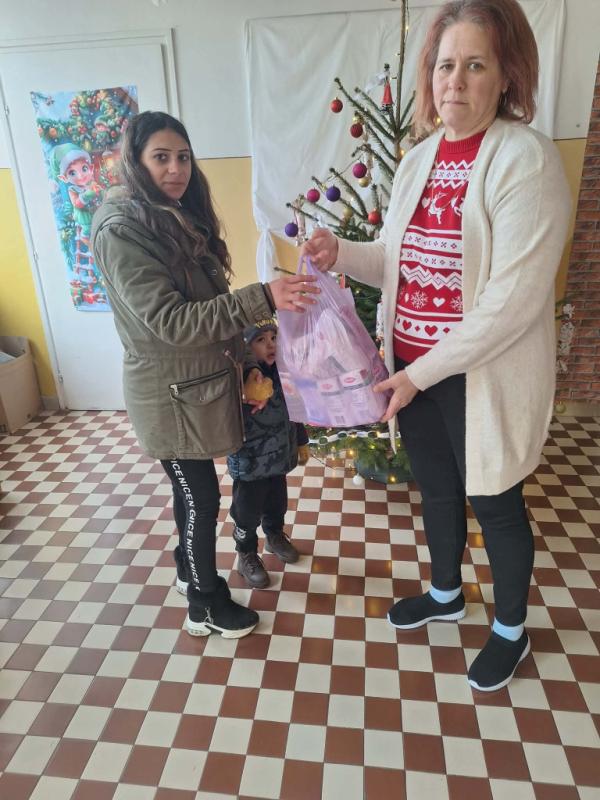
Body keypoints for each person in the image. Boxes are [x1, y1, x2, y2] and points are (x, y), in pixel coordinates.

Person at [304, 0, 571, 691]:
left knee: (497, 502)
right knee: (439, 490)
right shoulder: (419, 159)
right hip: (412, 368)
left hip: (480, 374)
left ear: (506, 76)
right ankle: (447, 594)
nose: (455, 80)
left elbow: (512, 300)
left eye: (475, 65)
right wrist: (342, 254)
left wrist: (421, 374)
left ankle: (510, 629)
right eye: (445, 65)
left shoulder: (526, 159)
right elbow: (395, 258)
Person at [91, 111, 318, 640]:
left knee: (191, 495)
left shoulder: (167, 215)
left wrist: (246, 360)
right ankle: (205, 604)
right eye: (161, 157)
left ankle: (186, 570)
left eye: (183, 157)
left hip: (192, 387)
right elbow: (172, 322)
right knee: (201, 499)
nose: (176, 169)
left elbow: (205, 309)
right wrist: (262, 297)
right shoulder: (122, 230)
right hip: (167, 397)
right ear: (135, 161)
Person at [227, 318, 303, 589]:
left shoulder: (284, 373)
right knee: (246, 512)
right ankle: (246, 553)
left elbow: (295, 411)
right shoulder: (240, 381)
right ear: (246, 347)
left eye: (274, 337)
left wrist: (301, 441)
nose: (271, 345)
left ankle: (274, 535)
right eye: (261, 340)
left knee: (277, 502)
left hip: (278, 458)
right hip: (250, 463)